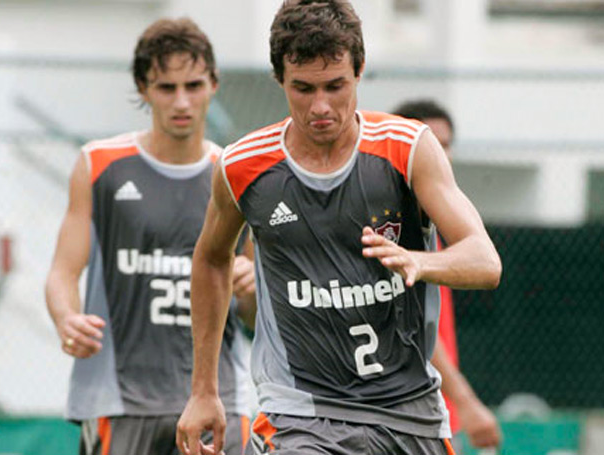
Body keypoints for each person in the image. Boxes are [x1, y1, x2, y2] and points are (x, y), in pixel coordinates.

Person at [176, 1, 502, 454]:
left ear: (360, 70)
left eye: (335, 86)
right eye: (303, 89)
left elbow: (485, 261)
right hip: (300, 414)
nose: (321, 107)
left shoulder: (407, 149)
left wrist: (420, 261)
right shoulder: (243, 167)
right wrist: (203, 390)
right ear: (279, 79)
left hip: (408, 412)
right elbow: (210, 259)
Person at [45, 18, 254, 455]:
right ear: (143, 88)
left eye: (193, 85)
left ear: (214, 84)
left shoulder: (236, 174)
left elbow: (256, 315)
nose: (182, 101)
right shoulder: (99, 164)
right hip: (121, 401)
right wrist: (67, 318)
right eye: (166, 87)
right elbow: (63, 272)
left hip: (220, 398)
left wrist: (253, 288)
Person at [393, 99, 501, 450]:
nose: (441, 155)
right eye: (431, 145)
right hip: (404, 414)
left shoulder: (440, 224)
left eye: (446, 144)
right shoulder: (393, 228)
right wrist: (467, 401)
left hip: (433, 409)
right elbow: (413, 325)